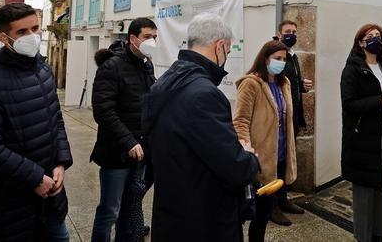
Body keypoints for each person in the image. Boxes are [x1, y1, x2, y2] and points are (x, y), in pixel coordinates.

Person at [142, 13, 260, 242]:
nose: (226, 56)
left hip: (172, 211)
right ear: (220, 46)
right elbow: (235, 168)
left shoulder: (166, 82)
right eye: (227, 51)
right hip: (203, 220)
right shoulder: (204, 94)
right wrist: (248, 155)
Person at [0, 2, 72, 241]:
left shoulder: (43, 70)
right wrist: (33, 177)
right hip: (8, 209)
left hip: (51, 200)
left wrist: (61, 163)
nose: (32, 37)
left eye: (35, 28)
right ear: (4, 37)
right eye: (22, 32)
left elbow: (56, 121)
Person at [90, 17, 157, 242]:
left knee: (130, 209)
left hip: (140, 153)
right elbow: (103, 111)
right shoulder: (112, 66)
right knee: (110, 210)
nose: (153, 42)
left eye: (155, 37)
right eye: (148, 37)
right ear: (133, 39)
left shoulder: (147, 65)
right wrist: (128, 141)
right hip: (115, 154)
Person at [340, 23, 382, 242]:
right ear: (361, 42)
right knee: (364, 193)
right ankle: (363, 237)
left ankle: (378, 234)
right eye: (370, 36)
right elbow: (349, 104)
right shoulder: (352, 69)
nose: (376, 39)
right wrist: (380, 100)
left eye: (379, 36)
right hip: (362, 137)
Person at [233, 40, 298, 242]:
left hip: (279, 156)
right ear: (265, 58)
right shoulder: (251, 83)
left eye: (284, 59)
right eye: (277, 59)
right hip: (258, 159)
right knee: (253, 213)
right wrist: (247, 150)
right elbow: (240, 120)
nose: (281, 63)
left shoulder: (283, 83)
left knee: (265, 212)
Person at [271, 20, 311, 225]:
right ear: (279, 34)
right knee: (276, 162)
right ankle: (273, 207)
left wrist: (301, 85)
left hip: (292, 117)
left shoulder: (293, 57)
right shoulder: (276, 57)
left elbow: (289, 84)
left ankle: (283, 198)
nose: (291, 35)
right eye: (287, 32)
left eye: (294, 32)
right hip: (278, 119)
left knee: (286, 161)